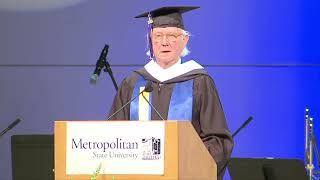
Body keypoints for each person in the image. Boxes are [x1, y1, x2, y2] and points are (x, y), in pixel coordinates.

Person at [108, 6, 233, 179]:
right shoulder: (133, 83)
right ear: (150, 40)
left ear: (185, 40)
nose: (164, 42)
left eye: (172, 36)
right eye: (158, 36)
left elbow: (219, 141)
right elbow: (113, 137)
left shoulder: (199, 81)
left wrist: (187, 163)